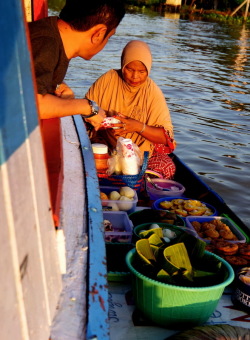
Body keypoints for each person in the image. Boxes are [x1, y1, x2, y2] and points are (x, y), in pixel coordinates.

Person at [84, 40, 176, 179]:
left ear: (148, 70)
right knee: (89, 153)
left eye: (141, 71)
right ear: (122, 64)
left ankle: (137, 181)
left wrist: (138, 127)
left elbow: (165, 138)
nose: (135, 76)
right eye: (130, 69)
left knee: (167, 166)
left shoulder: (153, 92)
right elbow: (85, 114)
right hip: (108, 147)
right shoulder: (108, 80)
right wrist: (105, 122)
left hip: (140, 153)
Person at [28, 0, 126, 130]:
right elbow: (32, 105)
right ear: (99, 34)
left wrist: (56, 87)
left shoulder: (49, 32)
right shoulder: (46, 43)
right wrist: (88, 107)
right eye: (109, 37)